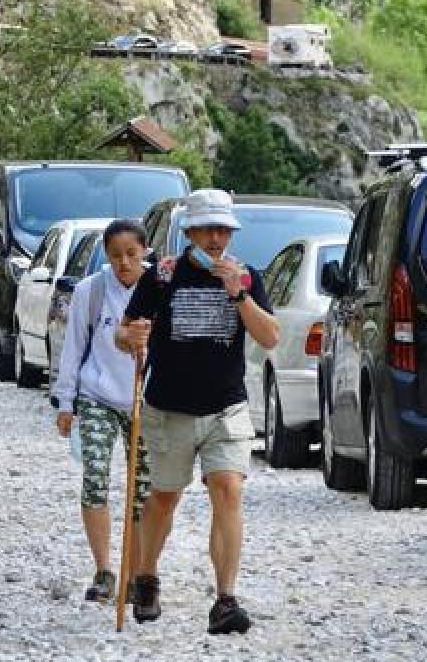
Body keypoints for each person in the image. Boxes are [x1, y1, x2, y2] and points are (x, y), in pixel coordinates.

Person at [116, 189, 279, 634]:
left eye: (223, 229)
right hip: (168, 408)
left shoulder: (248, 276)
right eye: (207, 228)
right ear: (189, 231)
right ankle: (146, 576)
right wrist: (131, 338)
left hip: (226, 407)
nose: (215, 238)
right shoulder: (163, 277)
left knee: (227, 490)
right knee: (164, 497)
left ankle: (226, 600)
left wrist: (239, 295)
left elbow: (270, 337)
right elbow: (125, 332)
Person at [51, 219, 152, 604]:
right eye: (115, 255)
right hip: (98, 396)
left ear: (144, 251)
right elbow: (74, 347)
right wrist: (65, 400)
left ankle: (136, 573)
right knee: (95, 475)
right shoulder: (91, 291)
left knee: (142, 491)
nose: (124, 263)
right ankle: (104, 569)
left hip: (145, 400)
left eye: (131, 254)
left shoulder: (159, 289)